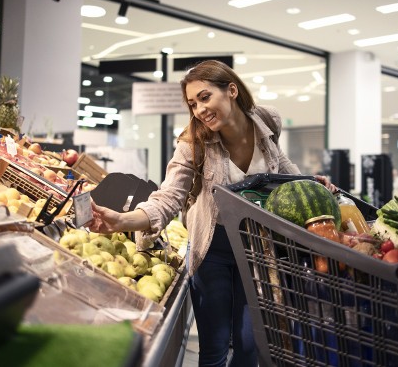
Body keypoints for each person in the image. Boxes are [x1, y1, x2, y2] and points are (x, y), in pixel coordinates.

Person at [88, 60, 336, 366]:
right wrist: (122, 220)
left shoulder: (267, 121)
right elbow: (169, 197)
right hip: (212, 247)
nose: (199, 110)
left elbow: (281, 168)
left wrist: (311, 184)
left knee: (249, 346)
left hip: (256, 247)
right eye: (193, 103)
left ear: (231, 90)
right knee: (215, 348)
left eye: (205, 97)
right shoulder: (193, 141)